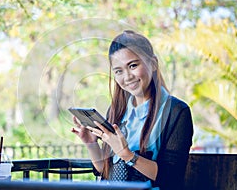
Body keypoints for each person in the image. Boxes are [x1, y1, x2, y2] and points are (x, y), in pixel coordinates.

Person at [71, 30, 193, 190]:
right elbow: (105, 171)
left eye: (133, 65)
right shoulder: (117, 110)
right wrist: (91, 144)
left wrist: (127, 154)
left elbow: (171, 177)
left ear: (153, 64)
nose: (127, 77)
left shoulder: (177, 112)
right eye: (118, 71)